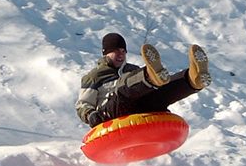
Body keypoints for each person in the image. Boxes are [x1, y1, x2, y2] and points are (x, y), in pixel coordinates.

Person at [76, 32, 211, 127]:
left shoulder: (131, 69)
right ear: (106, 53)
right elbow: (83, 104)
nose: (121, 54)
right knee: (122, 89)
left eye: (123, 51)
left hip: (136, 112)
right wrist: (90, 115)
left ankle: (192, 79)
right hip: (109, 116)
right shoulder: (94, 76)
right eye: (116, 51)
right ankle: (150, 77)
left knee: (158, 92)